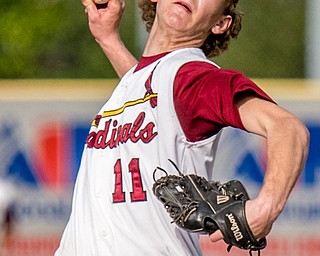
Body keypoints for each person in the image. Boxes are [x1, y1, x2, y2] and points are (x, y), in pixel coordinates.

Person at [55, 0, 310, 255]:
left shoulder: (195, 79)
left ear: (220, 23)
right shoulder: (144, 83)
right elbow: (147, 89)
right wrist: (108, 39)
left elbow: (288, 128)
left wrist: (267, 207)